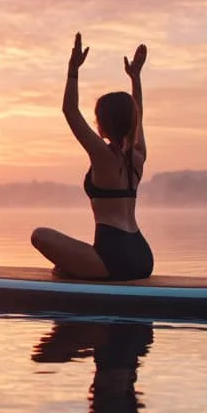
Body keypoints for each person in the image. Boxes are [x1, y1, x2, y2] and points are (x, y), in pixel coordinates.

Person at [31, 33, 154, 281]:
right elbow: (137, 117)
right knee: (66, 259)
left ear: (103, 124)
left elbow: (70, 111)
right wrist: (136, 78)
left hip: (114, 259)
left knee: (39, 235)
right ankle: (76, 269)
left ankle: (77, 271)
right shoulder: (138, 157)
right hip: (142, 257)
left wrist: (73, 69)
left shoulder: (103, 156)